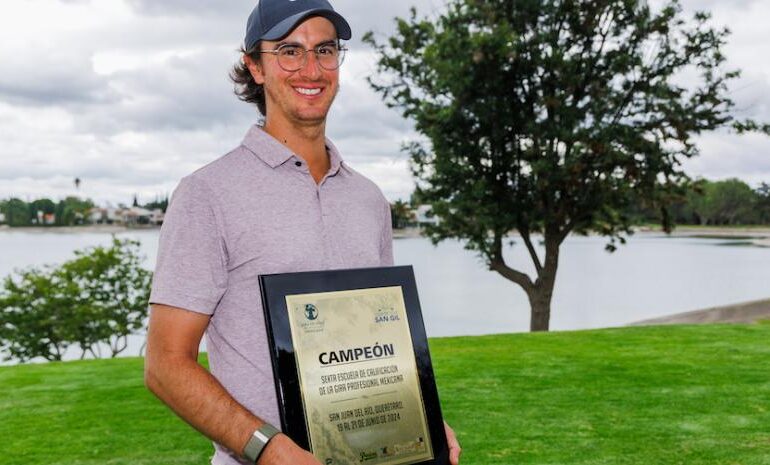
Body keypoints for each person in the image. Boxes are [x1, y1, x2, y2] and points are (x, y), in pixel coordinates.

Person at [144, 1, 462, 464]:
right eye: (289, 51)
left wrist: (421, 420)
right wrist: (267, 448)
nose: (310, 69)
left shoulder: (369, 200)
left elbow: (379, 345)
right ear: (254, 66)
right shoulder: (206, 194)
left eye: (325, 50)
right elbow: (165, 364)